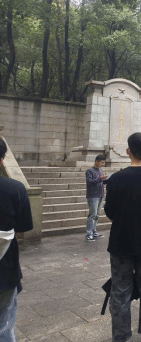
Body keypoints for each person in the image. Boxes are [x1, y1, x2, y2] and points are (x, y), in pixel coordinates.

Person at [104, 133, 141, 342]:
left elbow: (110, 212)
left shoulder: (116, 179)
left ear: (128, 151)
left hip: (121, 243)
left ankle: (121, 336)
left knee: (120, 290)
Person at [0, 138, 33, 342]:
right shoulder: (15, 188)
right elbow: (23, 227)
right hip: (5, 265)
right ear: (2, 159)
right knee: (4, 323)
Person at [85, 154, 107, 242]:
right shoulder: (89, 171)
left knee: (97, 215)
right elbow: (89, 182)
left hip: (100, 194)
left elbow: (101, 181)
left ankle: (94, 231)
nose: (102, 164)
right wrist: (100, 178)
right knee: (92, 215)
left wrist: (107, 180)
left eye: (103, 162)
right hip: (93, 195)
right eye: (102, 162)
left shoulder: (100, 170)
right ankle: (89, 233)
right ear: (96, 161)